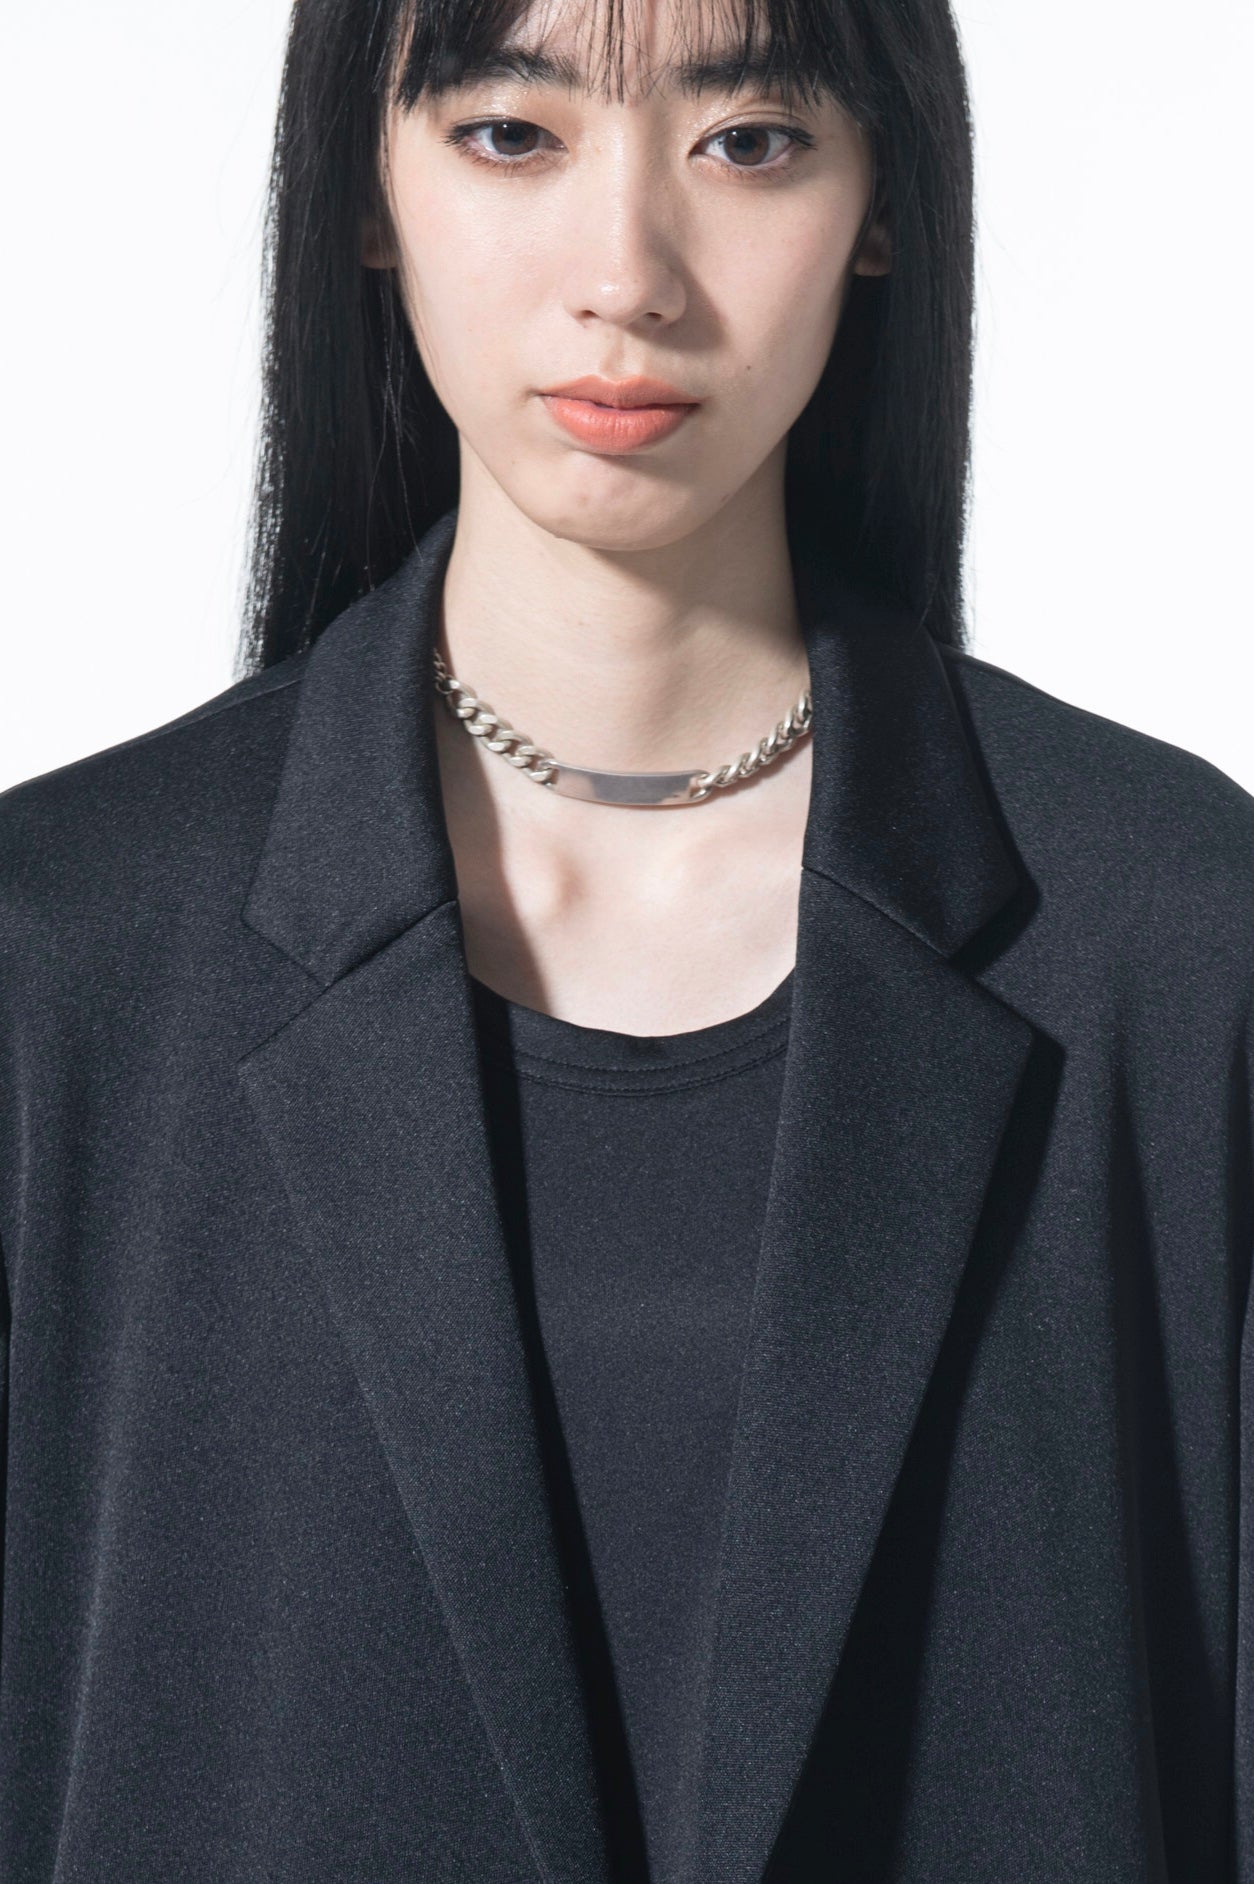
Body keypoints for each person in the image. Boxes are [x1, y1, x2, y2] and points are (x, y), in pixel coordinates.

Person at [0, 0, 1250, 1877]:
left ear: (881, 205)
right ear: (367, 193)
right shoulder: (64, 954)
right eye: (511, 133)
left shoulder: (1175, 937)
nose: (627, 276)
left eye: (749, 141)